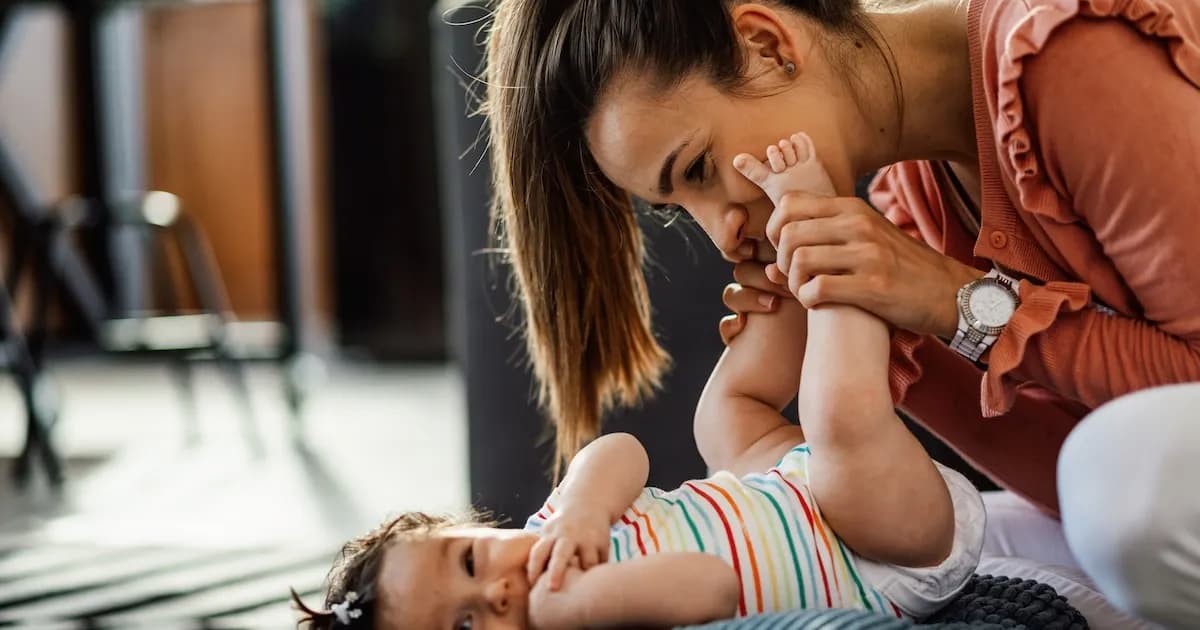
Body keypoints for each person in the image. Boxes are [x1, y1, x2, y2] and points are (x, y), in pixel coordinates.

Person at [483, 0, 1200, 625]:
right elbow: (1059, 495)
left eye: (698, 168)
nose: (721, 234)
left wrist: (951, 302)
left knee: (1124, 487)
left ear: (767, 44)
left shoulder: (1061, 50)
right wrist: (854, 345)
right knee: (975, 554)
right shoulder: (904, 218)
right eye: (679, 210)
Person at [291, 144, 985, 628]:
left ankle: (778, 265)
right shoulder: (578, 616)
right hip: (885, 550)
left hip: (794, 489)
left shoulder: (555, 527)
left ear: (474, 526)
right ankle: (829, 238)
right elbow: (711, 585)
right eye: (468, 628)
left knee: (723, 420)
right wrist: (575, 608)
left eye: (472, 560)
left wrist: (585, 512)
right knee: (835, 419)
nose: (501, 591)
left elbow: (620, 451)